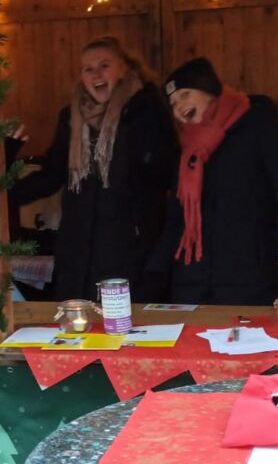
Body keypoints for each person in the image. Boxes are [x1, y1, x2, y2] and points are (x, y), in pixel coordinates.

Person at [147, 57, 278, 304]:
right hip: (192, 288)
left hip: (249, 284)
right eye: (173, 103)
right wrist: (155, 273)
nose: (179, 107)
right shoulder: (187, 150)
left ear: (209, 91)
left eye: (186, 94)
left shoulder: (261, 130)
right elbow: (176, 220)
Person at [10, 36, 175, 300]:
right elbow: (53, 174)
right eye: (88, 69)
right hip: (79, 251)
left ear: (124, 69)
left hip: (130, 249)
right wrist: (1, 193)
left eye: (104, 66)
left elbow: (164, 174)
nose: (96, 74)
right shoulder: (71, 117)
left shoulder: (148, 111)